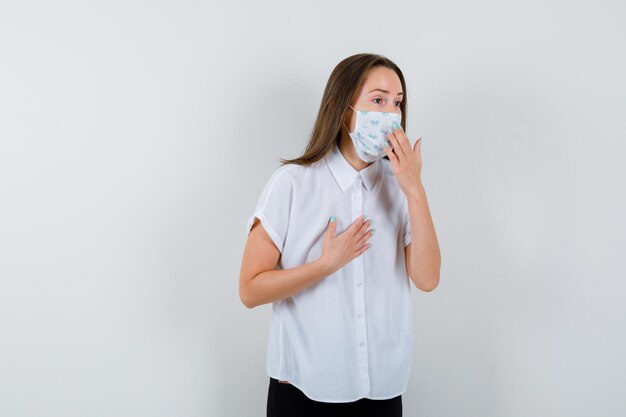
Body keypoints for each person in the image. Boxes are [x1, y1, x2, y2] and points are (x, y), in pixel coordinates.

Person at [239, 53, 441, 417]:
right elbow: (250, 290)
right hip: (303, 390)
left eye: (397, 103)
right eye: (377, 100)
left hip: (381, 390)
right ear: (341, 107)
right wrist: (324, 265)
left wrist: (414, 189)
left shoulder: (400, 189)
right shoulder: (293, 184)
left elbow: (427, 279)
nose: (391, 114)